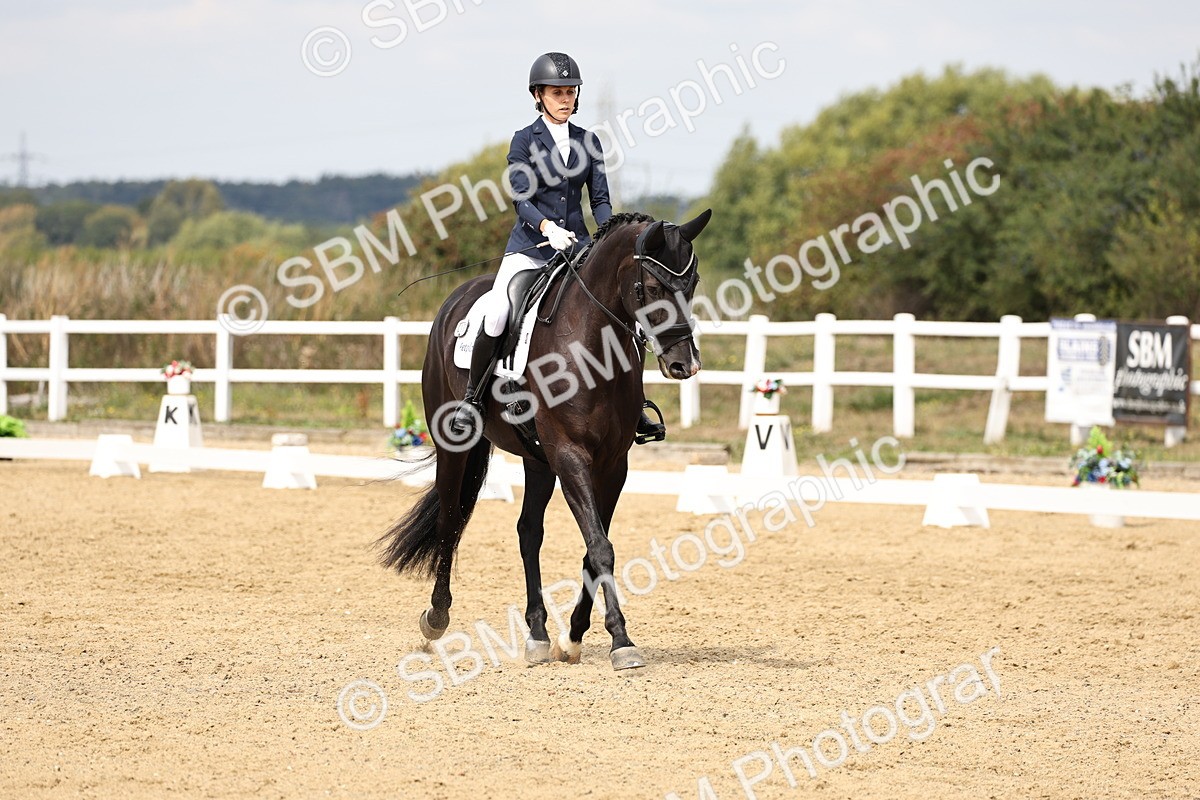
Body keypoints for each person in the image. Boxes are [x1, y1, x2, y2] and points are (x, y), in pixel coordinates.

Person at [450, 52, 665, 444]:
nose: (565, 99)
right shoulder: (523, 141)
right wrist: (547, 227)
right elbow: (521, 197)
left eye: (570, 92)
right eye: (556, 93)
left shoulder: (588, 141)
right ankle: (474, 400)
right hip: (531, 248)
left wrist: (608, 239)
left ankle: (633, 403)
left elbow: (600, 200)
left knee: (621, 314)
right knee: (498, 312)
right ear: (538, 95)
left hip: (577, 250)